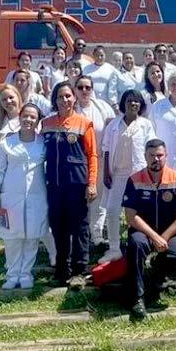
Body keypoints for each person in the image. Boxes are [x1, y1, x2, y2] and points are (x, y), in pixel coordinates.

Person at [123, 139, 176, 321]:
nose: (156, 159)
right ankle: (137, 298)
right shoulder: (134, 180)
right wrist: (154, 236)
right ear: (145, 156)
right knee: (136, 245)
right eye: (152, 155)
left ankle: (155, 278)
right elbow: (130, 216)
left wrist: (164, 237)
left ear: (166, 156)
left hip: (169, 232)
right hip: (143, 231)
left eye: (160, 155)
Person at [42, 82, 98, 288]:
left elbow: (92, 155)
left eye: (68, 96)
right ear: (54, 100)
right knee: (58, 227)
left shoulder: (84, 123)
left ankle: (79, 270)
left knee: (80, 228)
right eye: (60, 96)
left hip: (77, 183)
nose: (64, 100)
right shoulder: (46, 123)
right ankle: (61, 270)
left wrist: (92, 183)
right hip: (54, 185)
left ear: (74, 98)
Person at [0, 103, 48, 289]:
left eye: (33, 117)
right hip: (10, 198)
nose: (28, 120)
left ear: (38, 121)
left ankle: (26, 274)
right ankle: (12, 275)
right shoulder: (6, 143)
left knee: (32, 237)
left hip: (36, 197)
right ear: (19, 117)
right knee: (12, 238)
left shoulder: (43, 143)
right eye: (25, 116)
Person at [99, 90, 156, 264]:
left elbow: (152, 149)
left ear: (141, 105)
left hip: (138, 174)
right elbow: (106, 149)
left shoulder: (145, 125)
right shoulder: (114, 125)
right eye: (130, 100)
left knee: (141, 213)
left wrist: (150, 174)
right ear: (124, 103)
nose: (133, 104)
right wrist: (106, 173)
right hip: (118, 174)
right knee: (112, 210)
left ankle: (143, 248)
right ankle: (114, 249)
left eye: (136, 101)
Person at [74, 75, 115, 249]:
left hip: (99, 159)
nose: (84, 91)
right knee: (78, 198)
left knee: (98, 197)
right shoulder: (71, 108)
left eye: (88, 87)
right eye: (80, 87)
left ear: (92, 89)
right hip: (76, 161)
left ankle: (96, 234)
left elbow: (113, 130)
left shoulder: (102, 107)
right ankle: (79, 234)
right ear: (75, 89)